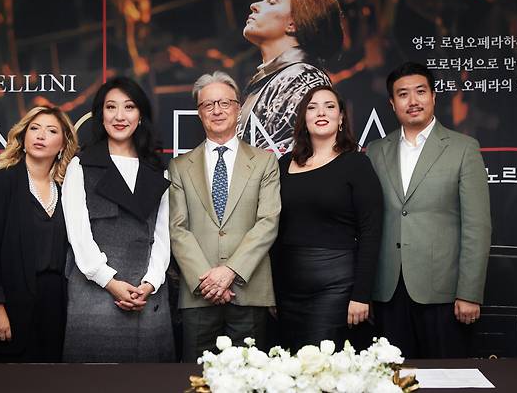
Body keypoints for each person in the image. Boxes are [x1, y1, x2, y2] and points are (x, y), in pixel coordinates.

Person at [366, 62, 492, 358]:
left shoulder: (463, 148)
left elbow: (477, 225)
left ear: (434, 96)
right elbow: (367, 224)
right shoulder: (374, 151)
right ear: (392, 103)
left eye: (420, 92)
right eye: (403, 94)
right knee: (393, 380)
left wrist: (469, 293)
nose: (413, 101)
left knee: (446, 379)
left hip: (444, 293)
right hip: (388, 291)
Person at [169, 71, 281, 362]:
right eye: (208, 105)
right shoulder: (180, 166)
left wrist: (229, 272)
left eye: (224, 103)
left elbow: (268, 222)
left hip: (249, 289)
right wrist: (207, 280)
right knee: (193, 379)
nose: (217, 110)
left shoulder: (265, 161)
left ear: (238, 107)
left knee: (249, 378)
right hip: (198, 292)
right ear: (199, 113)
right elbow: (177, 228)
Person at [61, 77, 174, 362]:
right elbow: (79, 236)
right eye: (111, 107)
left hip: (147, 297)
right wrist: (110, 282)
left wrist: (150, 283)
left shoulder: (158, 169)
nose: (120, 116)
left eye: (129, 107)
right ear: (100, 115)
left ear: (141, 116)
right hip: (96, 294)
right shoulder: (81, 165)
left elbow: (162, 235)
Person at [273, 86, 383, 352]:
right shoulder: (283, 164)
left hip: (335, 288)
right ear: (303, 118)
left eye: (330, 106)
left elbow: (372, 231)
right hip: (287, 288)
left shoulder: (357, 164)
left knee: (321, 366)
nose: (321, 112)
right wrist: (271, 291)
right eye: (312, 107)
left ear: (342, 117)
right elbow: (272, 229)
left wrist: (361, 295)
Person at [0, 106, 78, 362]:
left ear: (63, 143)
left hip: (56, 307)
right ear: (23, 136)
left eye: (51, 130)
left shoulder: (68, 188)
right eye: (35, 128)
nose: (41, 135)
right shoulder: (1, 182)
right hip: (11, 303)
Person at [238, 0, 344, 153]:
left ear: (293, 23)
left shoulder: (303, 77)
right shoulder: (277, 77)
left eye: (272, 2)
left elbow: (280, 159)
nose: (254, 6)